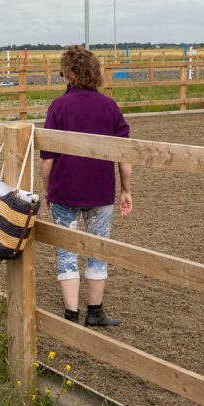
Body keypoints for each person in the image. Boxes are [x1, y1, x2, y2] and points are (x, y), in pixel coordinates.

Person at [40, 46, 133, 328]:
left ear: (68, 74)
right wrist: (126, 189)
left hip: (65, 189)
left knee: (66, 252)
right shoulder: (109, 106)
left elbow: (47, 158)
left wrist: (48, 189)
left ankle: (71, 314)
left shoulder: (58, 106)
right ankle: (95, 311)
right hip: (100, 189)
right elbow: (124, 154)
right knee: (97, 249)